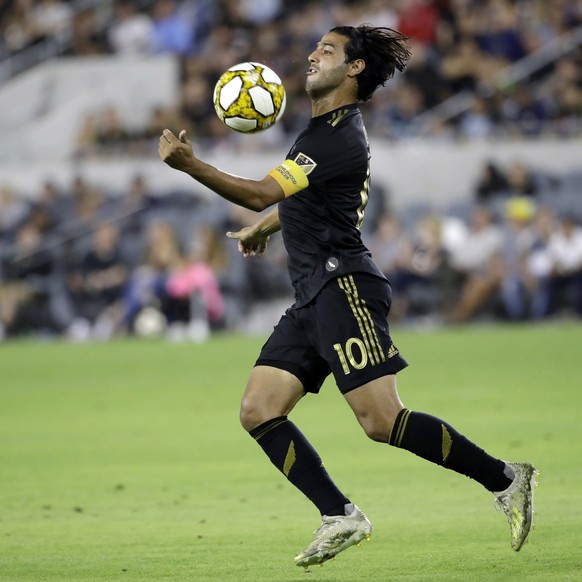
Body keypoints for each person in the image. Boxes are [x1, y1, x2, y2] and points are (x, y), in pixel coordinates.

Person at [159, 25, 537, 569]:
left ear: (354, 68)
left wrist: (190, 165)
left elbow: (264, 189)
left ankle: (506, 477)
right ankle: (339, 514)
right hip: (313, 291)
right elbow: (302, 198)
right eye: (315, 47)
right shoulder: (322, 131)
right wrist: (266, 228)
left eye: (328, 50)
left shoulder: (334, 136)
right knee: (258, 409)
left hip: (345, 287)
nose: (313, 55)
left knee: (381, 421)